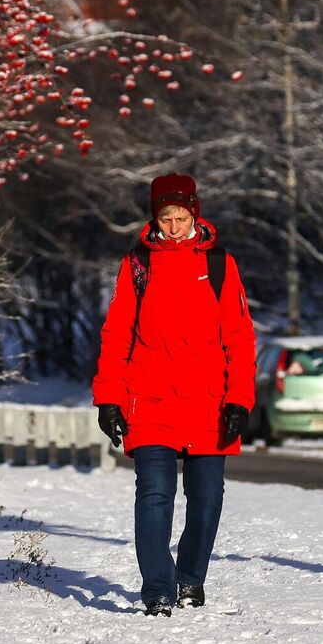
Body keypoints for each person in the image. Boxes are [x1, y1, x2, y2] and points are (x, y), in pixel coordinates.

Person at [92, 173, 256, 616]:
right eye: (166, 217)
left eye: (181, 216)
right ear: (154, 218)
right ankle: (158, 588)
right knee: (155, 497)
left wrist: (239, 399)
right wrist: (108, 398)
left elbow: (240, 338)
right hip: (151, 401)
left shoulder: (221, 264)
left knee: (207, 499)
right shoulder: (138, 265)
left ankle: (189, 578)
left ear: (194, 213)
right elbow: (116, 334)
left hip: (209, 403)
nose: (175, 225)